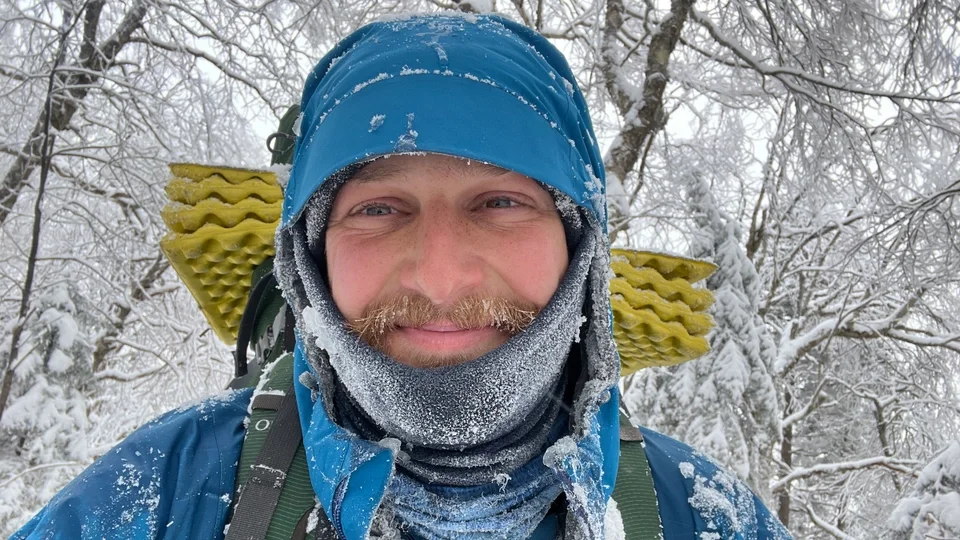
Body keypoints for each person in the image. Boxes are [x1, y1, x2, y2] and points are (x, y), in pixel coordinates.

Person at [13, 13, 791, 539]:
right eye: (380, 210)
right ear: (309, 258)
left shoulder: (702, 516)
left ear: (580, 245)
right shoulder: (166, 495)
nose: (441, 275)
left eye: (499, 201)